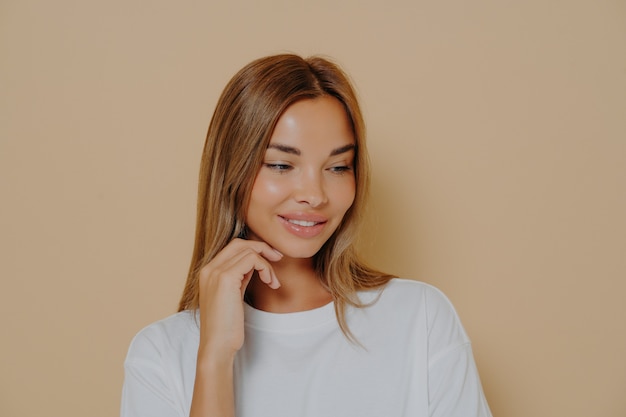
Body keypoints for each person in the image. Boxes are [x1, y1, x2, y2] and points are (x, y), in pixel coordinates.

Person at [120, 53, 492, 417]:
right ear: (231, 171)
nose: (314, 195)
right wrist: (215, 358)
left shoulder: (420, 319)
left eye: (338, 166)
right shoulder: (161, 353)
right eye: (282, 165)